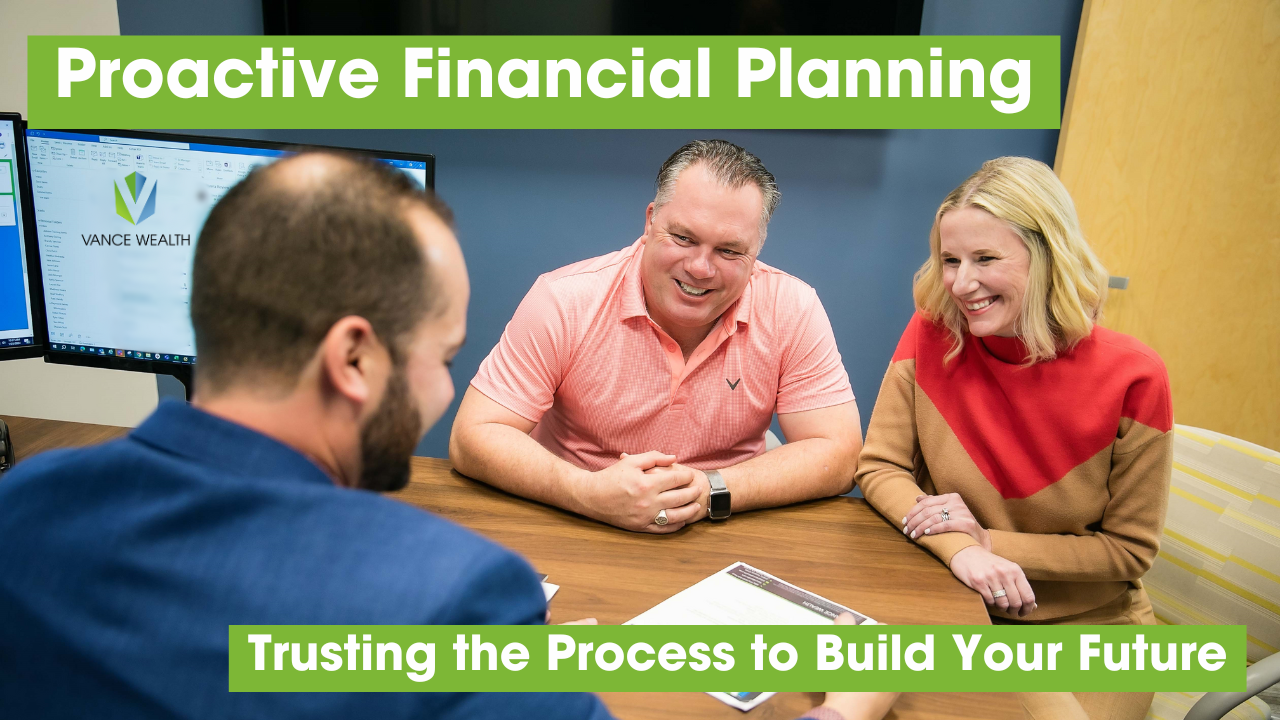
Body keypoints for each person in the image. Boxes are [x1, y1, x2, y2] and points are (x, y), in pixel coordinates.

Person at [0, 150, 892, 720]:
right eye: (440, 355)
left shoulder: (20, 507)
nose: (440, 392)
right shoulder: (453, 595)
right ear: (354, 359)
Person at [856, 157, 1172, 720]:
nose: (961, 283)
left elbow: (1128, 552)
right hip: (958, 597)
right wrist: (962, 553)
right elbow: (879, 468)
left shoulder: (1135, 376)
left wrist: (988, 543)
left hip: (1092, 628)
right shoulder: (933, 333)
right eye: (950, 260)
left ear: (1047, 255)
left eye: (986, 259)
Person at [450, 139, 862, 533]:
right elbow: (474, 435)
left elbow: (839, 453)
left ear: (757, 251)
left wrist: (711, 491)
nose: (700, 268)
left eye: (730, 251)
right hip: (573, 518)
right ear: (650, 221)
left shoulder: (793, 306)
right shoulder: (565, 299)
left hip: (728, 524)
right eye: (683, 238)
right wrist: (586, 492)